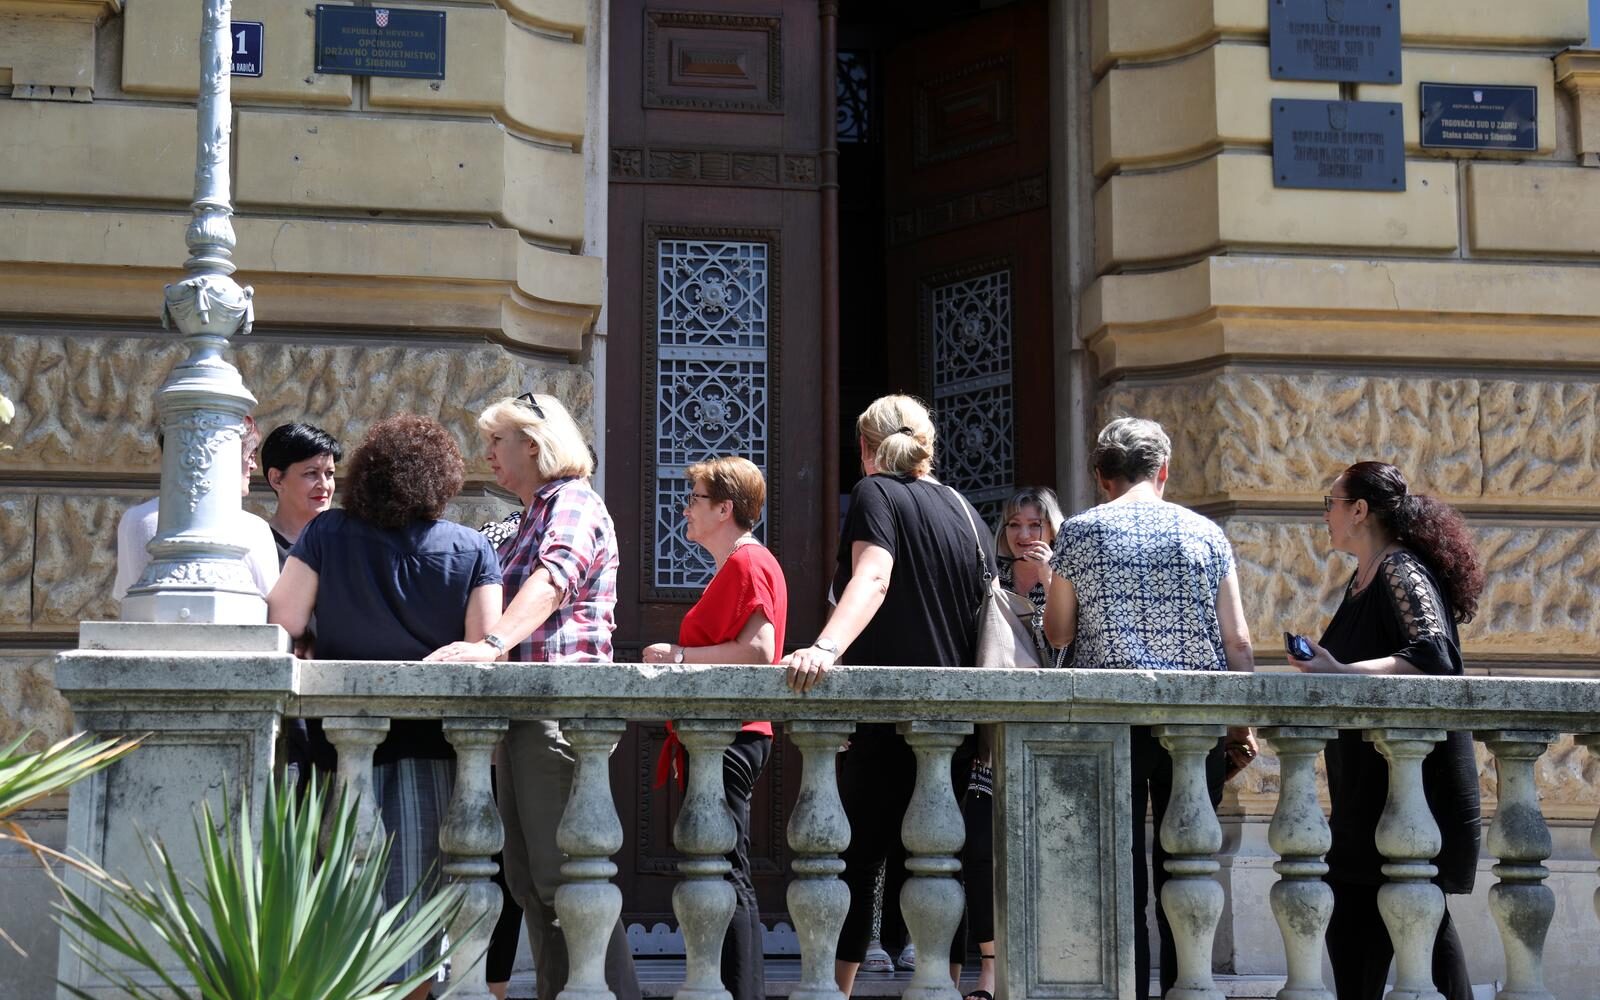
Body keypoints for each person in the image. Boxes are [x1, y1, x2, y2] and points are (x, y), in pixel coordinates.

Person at [266, 414, 503, 1000]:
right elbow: (483, 649)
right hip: (431, 750)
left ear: (368, 472)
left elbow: (283, 619)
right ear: (443, 480)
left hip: (336, 747)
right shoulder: (471, 547)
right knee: (414, 909)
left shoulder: (326, 533)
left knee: (337, 898)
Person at [426, 392, 639, 1000]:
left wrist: (491, 645)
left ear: (535, 444)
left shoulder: (572, 502)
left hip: (556, 714)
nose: (488, 453)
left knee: (567, 881)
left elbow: (554, 580)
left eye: (498, 440)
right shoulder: (531, 513)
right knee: (533, 884)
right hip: (528, 714)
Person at [783, 394, 992, 997]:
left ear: (865, 448)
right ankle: (939, 990)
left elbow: (873, 576)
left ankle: (831, 992)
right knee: (939, 862)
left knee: (855, 859)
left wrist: (825, 648)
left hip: (887, 712)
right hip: (953, 719)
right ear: (929, 445)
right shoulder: (966, 511)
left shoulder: (875, 493)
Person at [1042, 417, 1256, 1000]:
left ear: (1101, 476)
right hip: (1195, 725)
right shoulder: (1205, 533)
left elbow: (1058, 633)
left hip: (1111, 725)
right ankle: (1189, 988)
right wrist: (1240, 725)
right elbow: (1237, 642)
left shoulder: (1081, 532)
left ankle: (1128, 989)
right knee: (1186, 868)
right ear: (1163, 471)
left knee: (1120, 874)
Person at [1289, 461, 1483, 1000]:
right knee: (1368, 925)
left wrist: (1341, 671)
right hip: (1368, 788)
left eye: (1330, 503)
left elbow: (1435, 655)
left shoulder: (1400, 568)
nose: (1324, 515)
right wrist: (1329, 667)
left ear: (1358, 510)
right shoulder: (1365, 577)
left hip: (1408, 787)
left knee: (1414, 926)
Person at [641, 456, 786, 1000]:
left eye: (695, 499)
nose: (686, 509)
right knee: (723, 871)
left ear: (725, 509)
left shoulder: (748, 561)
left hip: (731, 736)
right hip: (724, 735)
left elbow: (760, 650)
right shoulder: (739, 563)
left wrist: (680, 656)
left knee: (728, 875)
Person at [114, 417, 279, 602]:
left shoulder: (134, 518)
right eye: (251, 454)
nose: (253, 465)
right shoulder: (253, 529)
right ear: (226, 454)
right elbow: (271, 606)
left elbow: (126, 598)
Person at [259, 421, 341, 564]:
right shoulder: (257, 546)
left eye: (329, 473)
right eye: (311, 473)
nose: (324, 485)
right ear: (276, 479)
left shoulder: (344, 546)